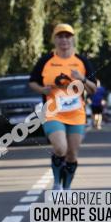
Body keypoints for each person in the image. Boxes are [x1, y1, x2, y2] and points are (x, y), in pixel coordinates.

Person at [28, 24, 98, 191]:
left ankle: (66, 187)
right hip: (53, 112)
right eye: (60, 36)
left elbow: (93, 89)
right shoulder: (46, 61)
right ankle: (57, 183)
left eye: (67, 36)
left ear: (72, 39)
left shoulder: (82, 61)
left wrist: (81, 78)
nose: (64, 40)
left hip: (76, 114)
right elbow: (32, 82)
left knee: (72, 154)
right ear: (55, 39)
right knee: (60, 148)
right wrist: (42, 89)